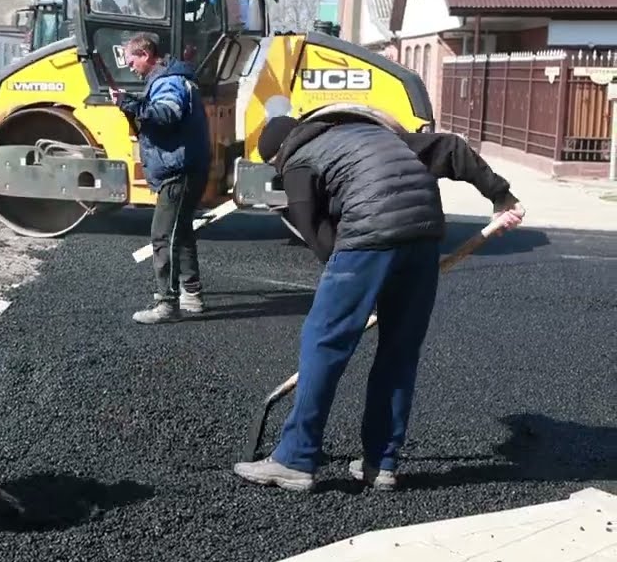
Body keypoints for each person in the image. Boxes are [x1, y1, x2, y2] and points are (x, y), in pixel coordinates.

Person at [232, 112, 525, 492]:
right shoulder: (369, 134)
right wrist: (501, 195)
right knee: (399, 351)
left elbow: (324, 244)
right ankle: (381, 463)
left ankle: (295, 458)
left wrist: (288, 208)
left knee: (324, 341)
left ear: (277, 156)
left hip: (371, 235)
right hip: (425, 234)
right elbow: (451, 147)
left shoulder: (297, 162)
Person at [110, 32, 213, 324]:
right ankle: (191, 296)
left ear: (146, 55)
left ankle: (168, 304)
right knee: (181, 232)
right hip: (188, 167)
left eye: (132, 60)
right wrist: (134, 101)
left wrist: (131, 105)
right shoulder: (173, 78)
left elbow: (168, 114)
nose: (130, 66)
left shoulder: (168, 81)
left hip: (178, 171)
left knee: (163, 236)